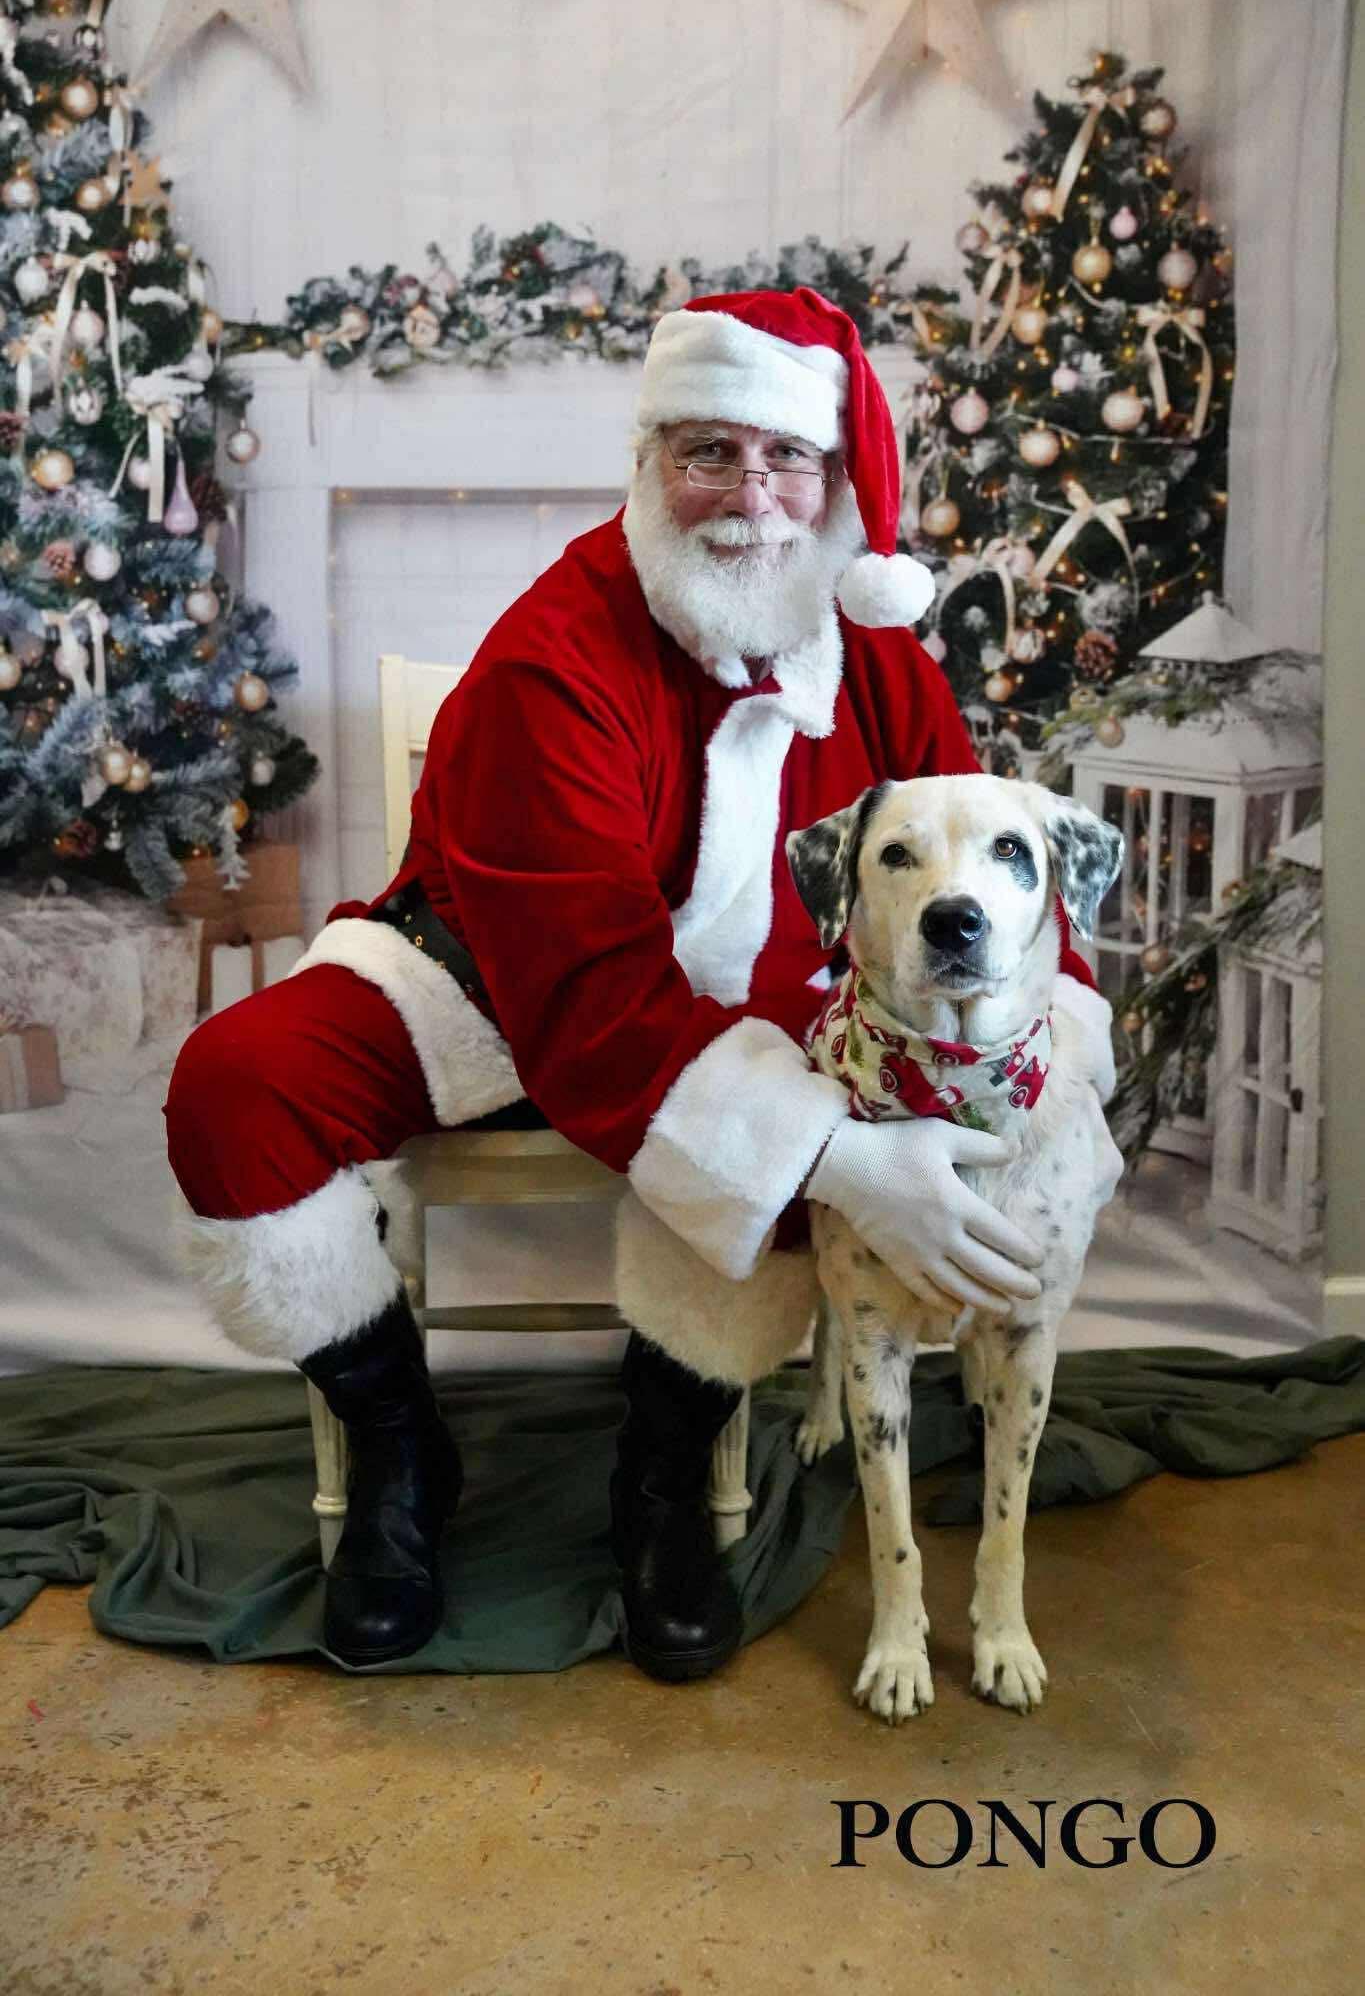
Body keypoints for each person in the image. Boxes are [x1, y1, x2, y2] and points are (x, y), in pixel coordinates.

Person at [165, 287, 1112, 1680]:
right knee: (239, 1087)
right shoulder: (557, 651)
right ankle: (395, 1449)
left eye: (785, 458)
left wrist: (1062, 1066)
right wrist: (841, 1156)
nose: (750, 497)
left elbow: (1014, 888)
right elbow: (587, 988)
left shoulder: (882, 660)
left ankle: (663, 1477)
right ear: (651, 464)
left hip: (762, 1005)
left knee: (808, 1095)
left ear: (835, 480)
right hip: (491, 970)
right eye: (707, 452)